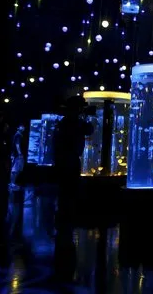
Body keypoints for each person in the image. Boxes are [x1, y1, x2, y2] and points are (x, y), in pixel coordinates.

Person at [53, 96, 94, 224]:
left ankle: (64, 214)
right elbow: (89, 129)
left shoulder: (66, 121)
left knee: (65, 188)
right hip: (70, 158)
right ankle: (67, 216)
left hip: (64, 157)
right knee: (69, 187)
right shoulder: (74, 121)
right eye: (81, 108)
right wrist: (86, 118)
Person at [10, 125, 25, 189]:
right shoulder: (18, 135)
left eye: (24, 127)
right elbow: (17, 145)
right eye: (21, 126)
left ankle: (12, 183)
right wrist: (20, 153)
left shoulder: (18, 134)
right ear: (18, 127)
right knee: (15, 170)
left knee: (16, 169)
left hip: (16, 154)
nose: (23, 128)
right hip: (17, 155)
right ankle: (12, 183)